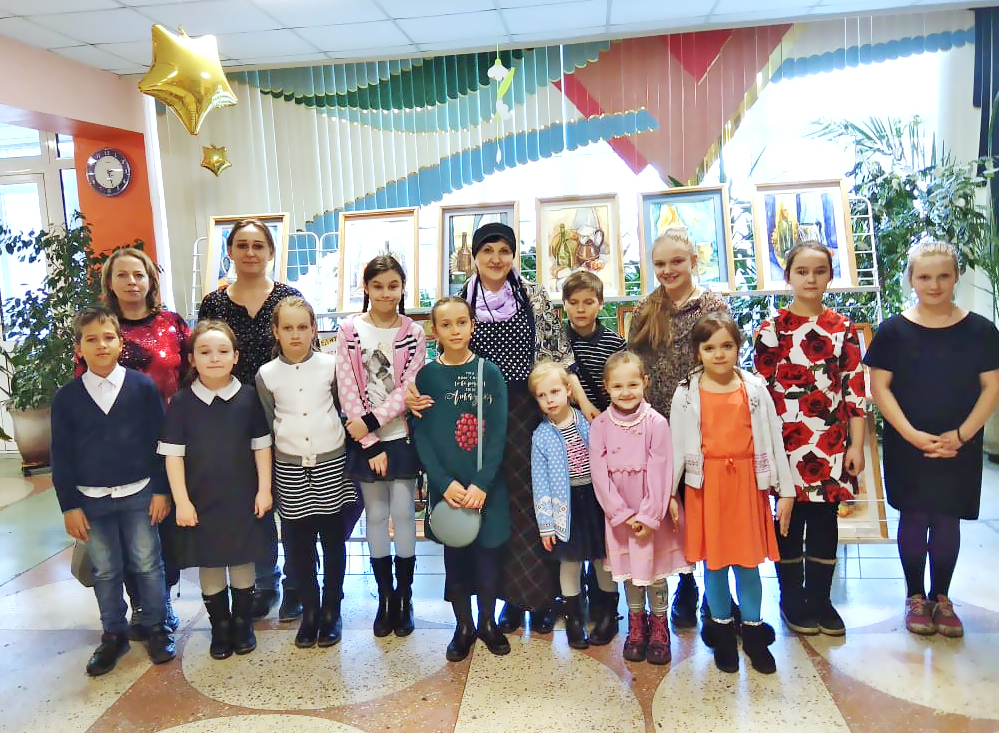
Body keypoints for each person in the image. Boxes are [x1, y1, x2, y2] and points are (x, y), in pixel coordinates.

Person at [408, 222, 593, 635]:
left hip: (527, 410)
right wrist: (412, 392)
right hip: (479, 412)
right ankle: (505, 601)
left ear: (513, 254)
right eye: (487, 250)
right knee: (494, 508)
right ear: (474, 256)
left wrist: (584, 405)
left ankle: (538, 598)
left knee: (533, 502)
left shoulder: (533, 295)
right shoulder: (463, 300)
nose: (496, 258)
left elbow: (559, 356)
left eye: (504, 250)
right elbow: (444, 359)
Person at [865, 241, 999, 638]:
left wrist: (961, 435)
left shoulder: (980, 331)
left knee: (946, 516)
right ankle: (914, 596)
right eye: (924, 276)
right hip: (908, 441)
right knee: (914, 515)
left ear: (956, 277)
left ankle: (942, 597)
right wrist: (910, 435)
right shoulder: (892, 331)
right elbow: (880, 387)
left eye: (943, 276)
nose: (934, 284)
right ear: (911, 279)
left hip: (960, 441)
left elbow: (992, 387)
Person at [51, 306, 176, 676]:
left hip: (140, 493)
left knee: (147, 563)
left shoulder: (142, 388)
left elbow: (160, 442)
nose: (101, 345)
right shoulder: (67, 397)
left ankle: (156, 626)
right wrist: (69, 505)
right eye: (91, 339)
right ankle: (114, 634)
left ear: (121, 343)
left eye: (108, 337)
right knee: (105, 570)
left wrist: (161, 490)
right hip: (92, 499)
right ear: (79, 348)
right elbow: (61, 454)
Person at [670, 313, 795, 674]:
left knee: (747, 563)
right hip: (706, 487)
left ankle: (754, 633)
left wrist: (785, 490)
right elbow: (676, 447)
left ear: (738, 348)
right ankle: (722, 632)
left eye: (727, 346)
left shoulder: (754, 388)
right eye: (710, 347)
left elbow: (773, 439)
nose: (719, 354)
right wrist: (670, 493)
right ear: (698, 352)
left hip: (746, 486)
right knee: (715, 563)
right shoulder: (686, 393)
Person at [754, 239, 866, 637]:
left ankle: (821, 598)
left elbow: (854, 390)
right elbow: (758, 395)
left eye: (819, 271)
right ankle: (791, 597)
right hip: (785, 443)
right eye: (802, 271)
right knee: (789, 517)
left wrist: (856, 444)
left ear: (830, 277)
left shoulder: (843, 328)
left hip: (830, 443)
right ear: (788, 276)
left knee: (823, 520)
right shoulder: (771, 330)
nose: (811, 279)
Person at [78, 246, 190, 641]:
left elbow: (192, 376)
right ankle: (138, 604)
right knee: (127, 534)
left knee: (164, 528)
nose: (131, 282)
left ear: (150, 281)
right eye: (122, 275)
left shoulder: (173, 324)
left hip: (172, 438)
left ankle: (161, 601)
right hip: (121, 447)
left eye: (139, 274)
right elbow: (84, 387)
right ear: (109, 282)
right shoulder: (101, 330)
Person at [198, 218, 304, 622]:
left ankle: (296, 584)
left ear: (271, 252)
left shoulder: (288, 297)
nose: (250, 252)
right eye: (242, 245)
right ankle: (264, 581)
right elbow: (205, 355)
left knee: (292, 506)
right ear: (229, 251)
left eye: (258, 245)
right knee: (254, 503)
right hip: (234, 419)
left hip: (287, 414)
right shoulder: (215, 304)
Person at [628, 225, 730, 629]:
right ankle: (684, 584)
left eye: (676, 261)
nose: (668, 270)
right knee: (672, 511)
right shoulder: (645, 309)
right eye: (660, 264)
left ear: (693, 261)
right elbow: (634, 366)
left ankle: (714, 588)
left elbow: (725, 360)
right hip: (657, 427)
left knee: (703, 505)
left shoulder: (713, 305)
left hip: (705, 423)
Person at [157, 320, 274, 660]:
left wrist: (264, 490)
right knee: (209, 561)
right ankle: (220, 627)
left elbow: (261, 447)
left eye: (223, 351)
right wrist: (181, 501)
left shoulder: (248, 397)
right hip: (200, 500)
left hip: (243, 497)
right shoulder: (181, 403)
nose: (214, 358)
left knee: (242, 558)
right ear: (191, 359)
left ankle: (242, 623)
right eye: (205, 352)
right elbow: (173, 456)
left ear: (236, 356)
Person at [413, 296, 510, 661]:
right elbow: (422, 435)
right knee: (455, 559)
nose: (455, 330)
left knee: (488, 556)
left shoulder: (490, 372)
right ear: (434, 330)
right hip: (448, 488)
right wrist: (443, 482)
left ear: (472, 325)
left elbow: (498, 432)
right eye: (446, 324)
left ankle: (487, 621)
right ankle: (463, 625)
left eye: (461, 322)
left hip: (486, 486)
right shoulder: (427, 376)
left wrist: (482, 483)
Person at [258, 296, 356, 648]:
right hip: (290, 467)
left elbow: (344, 408)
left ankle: (332, 608)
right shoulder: (267, 375)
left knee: (332, 540)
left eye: (302, 327)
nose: (295, 334)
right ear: (276, 331)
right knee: (298, 544)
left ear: (314, 329)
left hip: (331, 463)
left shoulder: (331, 366)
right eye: (287, 328)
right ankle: (310, 610)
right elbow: (268, 423)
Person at [336, 255, 426, 638]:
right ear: (366, 287)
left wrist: (372, 423)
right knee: (375, 514)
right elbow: (347, 389)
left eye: (393, 286)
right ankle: (385, 597)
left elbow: (408, 389)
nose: (386, 293)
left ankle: (405, 596)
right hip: (366, 442)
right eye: (378, 286)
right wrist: (370, 443)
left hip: (401, 436)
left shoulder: (413, 332)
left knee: (403, 513)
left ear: (403, 287)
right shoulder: (349, 330)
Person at [590, 351, 686, 665]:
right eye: (618, 386)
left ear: (645, 382)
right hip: (620, 517)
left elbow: (661, 471)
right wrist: (622, 515)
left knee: (654, 573)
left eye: (633, 384)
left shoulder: (656, 423)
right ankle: (636, 626)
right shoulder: (600, 425)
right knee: (631, 574)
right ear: (607, 386)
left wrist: (648, 516)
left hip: (651, 514)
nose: (626, 392)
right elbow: (599, 475)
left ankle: (659, 627)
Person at [529, 360, 617, 649]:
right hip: (565, 508)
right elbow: (540, 483)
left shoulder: (590, 422)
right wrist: (546, 525)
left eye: (555, 391)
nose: (549, 400)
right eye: (542, 396)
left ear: (568, 390)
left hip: (595, 499)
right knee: (570, 562)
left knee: (603, 558)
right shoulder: (541, 436)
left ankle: (608, 613)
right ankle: (574, 617)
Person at [562, 270, 626, 413]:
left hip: (609, 417)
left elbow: (624, 385)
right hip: (567, 420)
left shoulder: (615, 343)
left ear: (601, 303)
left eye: (588, 302)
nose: (580, 309)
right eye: (573, 302)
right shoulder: (555, 342)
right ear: (564, 304)